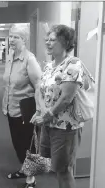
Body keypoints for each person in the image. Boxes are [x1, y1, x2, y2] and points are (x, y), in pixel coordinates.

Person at [31, 24, 86, 188]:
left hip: (65, 126)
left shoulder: (73, 64)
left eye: (52, 40)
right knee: (54, 167)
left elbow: (66, 98)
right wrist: (39, 110)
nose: (47, 43)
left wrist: (48, 114)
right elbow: (40, 90)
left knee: (64, 170)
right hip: (49, 124)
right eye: (46, 39)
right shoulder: (49, 66)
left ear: (65, 42)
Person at [2, 25, 42, 188]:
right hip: (11, 108)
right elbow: (8, 83)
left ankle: (31, 178)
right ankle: (24, 169)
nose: (11, 40)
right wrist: (5, 104)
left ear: (24, 39)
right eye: (10, 36)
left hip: (26, 110)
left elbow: (39, 84)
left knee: (28, 144)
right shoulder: (10, 56)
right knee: (17, 144)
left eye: (16, 37)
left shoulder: (29, 59)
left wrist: (39, 109)